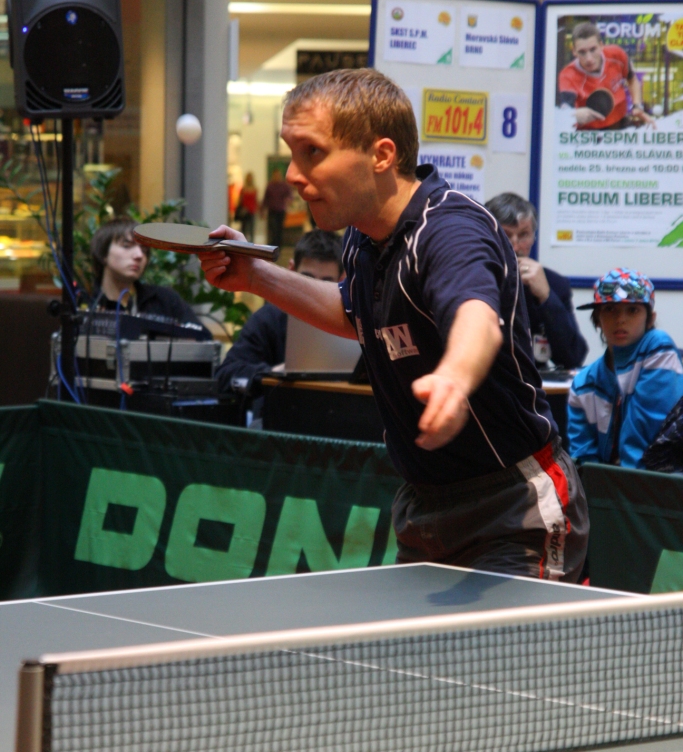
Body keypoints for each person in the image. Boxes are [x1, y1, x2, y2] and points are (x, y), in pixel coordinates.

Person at [199, 68, 589, 582]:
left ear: (381, 155)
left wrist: (455, 377)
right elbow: (355, 314)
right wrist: (256, 276)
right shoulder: (362, 238)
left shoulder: (450, 230)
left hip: (513, 510)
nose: (292, 174)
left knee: (504, 640)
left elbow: (475, 316)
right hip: (424, 508)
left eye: (312, 152)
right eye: (292, 152)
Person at [568, 268, 683, 468]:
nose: (620, 319)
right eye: (610, 309)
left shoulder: (658, 347)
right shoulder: (583, 384)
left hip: (661, 479)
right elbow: (583, 461)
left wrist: (625, 483)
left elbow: (645, 435)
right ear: (597, 318)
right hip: (607, 484)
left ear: (650, 319)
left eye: (632, 310)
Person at [215, 229, 343, 392]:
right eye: (307, 279)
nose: (314, 292)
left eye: (325, 284)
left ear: (342, 280)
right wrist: (273, 373)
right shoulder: (268, 319)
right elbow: (224, 377)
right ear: (291, 270)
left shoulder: (353, 321)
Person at [485, 193, 587, 370]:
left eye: (524, 235)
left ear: (533, 237)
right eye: (505, 235)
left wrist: (547, 298)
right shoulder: (474, 277)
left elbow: (573, 357)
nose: (515, 246)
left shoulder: (554, 284)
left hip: (534, 380)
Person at [89, 218, 211, 338]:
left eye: (144, 250)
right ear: (103, 253)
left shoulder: (165, 299)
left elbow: (205, 340)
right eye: (126, 246)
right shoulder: (87, 302)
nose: (139, 255)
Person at [558, 21, 654, 130]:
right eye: (582, 52)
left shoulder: (617, 54)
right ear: (574, 51)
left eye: (593, 49)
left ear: (601, 45)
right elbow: (565, 112)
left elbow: (632, 80)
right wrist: (574, 115)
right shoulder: (567, 75)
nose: (589, 58)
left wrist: (637, 106)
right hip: (588, 131)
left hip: (620, 123)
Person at [261, 168, 292, 249]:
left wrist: (288, 200)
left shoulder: (284, 186)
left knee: (279, 230)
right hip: (272, 211)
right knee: (273, 229)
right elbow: (265, 199)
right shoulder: (270, 186)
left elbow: (290, 196)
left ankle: (279, 247)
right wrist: (262, 211)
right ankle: (272, 246)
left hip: (281, 211)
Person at [236, 172, 258, 242]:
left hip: (252, 211)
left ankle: (251, 244)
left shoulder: (254, 189)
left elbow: (256, 200)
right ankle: (244, 243)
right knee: (244, 229)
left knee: (251, 230)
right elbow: (240, 201)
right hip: (245, 212)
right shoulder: (243, 189)